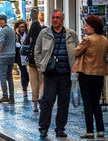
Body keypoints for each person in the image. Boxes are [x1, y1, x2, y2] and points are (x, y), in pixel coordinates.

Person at [33, 10, 78, 139]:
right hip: (50, 74)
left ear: (62, 19)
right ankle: (43, 128)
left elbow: (78, 51)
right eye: (53, 18)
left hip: (66, 75)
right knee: (48, 101)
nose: (55, 20)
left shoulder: (71, 34)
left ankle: (60, 129)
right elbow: (37, 51)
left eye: (58, 17)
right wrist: (41, 65)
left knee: (63, 103)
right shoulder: (44, 33)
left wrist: (75, 69)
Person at [75, 15, 108, 139]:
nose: (85, 28)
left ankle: (90, 131)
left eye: (87, 26)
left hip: (87, 74)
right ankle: (100, 130)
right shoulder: (104, 39)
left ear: (93, 27)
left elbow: (76, 52)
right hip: (99, 74)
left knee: (87, 103)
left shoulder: (88, 40)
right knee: (96, 103)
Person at [0, 15, 17, 103]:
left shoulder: (3, 30)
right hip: (12, 56)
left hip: (4, 56)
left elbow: (2, 43)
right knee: (10, 77)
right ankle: (12, 96)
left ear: (2, 21)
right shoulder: (11, 30)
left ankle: (5, 96)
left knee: (3, 76)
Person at [25, 12, 44, 110]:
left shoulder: (30, 37)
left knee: (34, 83)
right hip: (41, 63)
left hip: (31, 63)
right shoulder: (43, 36)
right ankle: (41, 99)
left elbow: (24, 46)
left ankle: (35, 105)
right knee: (42, 82)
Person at [15, 20, 32, 104]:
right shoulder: (16, 35)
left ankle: (26, 87)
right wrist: (17, 34)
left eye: (23, 27)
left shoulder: (28, 35)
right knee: (23, 73)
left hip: (27, 57)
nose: (22, 28)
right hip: (19, 58)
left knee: (28, 74)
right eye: (20, 27)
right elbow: (15, 45)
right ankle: (24, 90)